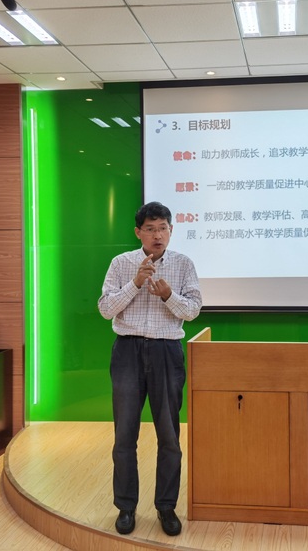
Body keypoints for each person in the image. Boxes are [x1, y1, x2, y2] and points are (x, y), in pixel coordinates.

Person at [97, 201, 202, 537]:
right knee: (125, 435)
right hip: (127, 351)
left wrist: (169, 295)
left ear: (171, 230)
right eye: (151, 229)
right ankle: (126, 507)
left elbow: (193, 310)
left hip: (166, 352)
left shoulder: (183, 264)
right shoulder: (121, 263)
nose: (158, 235)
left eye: (163, 228)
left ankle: (166, 506)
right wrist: (135, 284)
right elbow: (105, 309)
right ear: (138, 232)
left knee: (169, 435)